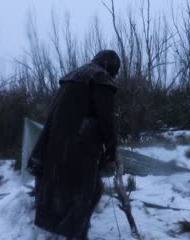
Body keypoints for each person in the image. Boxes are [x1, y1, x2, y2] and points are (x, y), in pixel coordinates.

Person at [27, 50, 121, 240]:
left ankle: (65, 230)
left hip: (54, 145)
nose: (114, 76)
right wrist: (111, 149)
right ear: (111, 66)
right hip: (79, 146)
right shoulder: (100, 78)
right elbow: (106, 119)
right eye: (115, 72)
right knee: (89, 191)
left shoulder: (74, 77)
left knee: (67, 189)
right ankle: (75, 233)